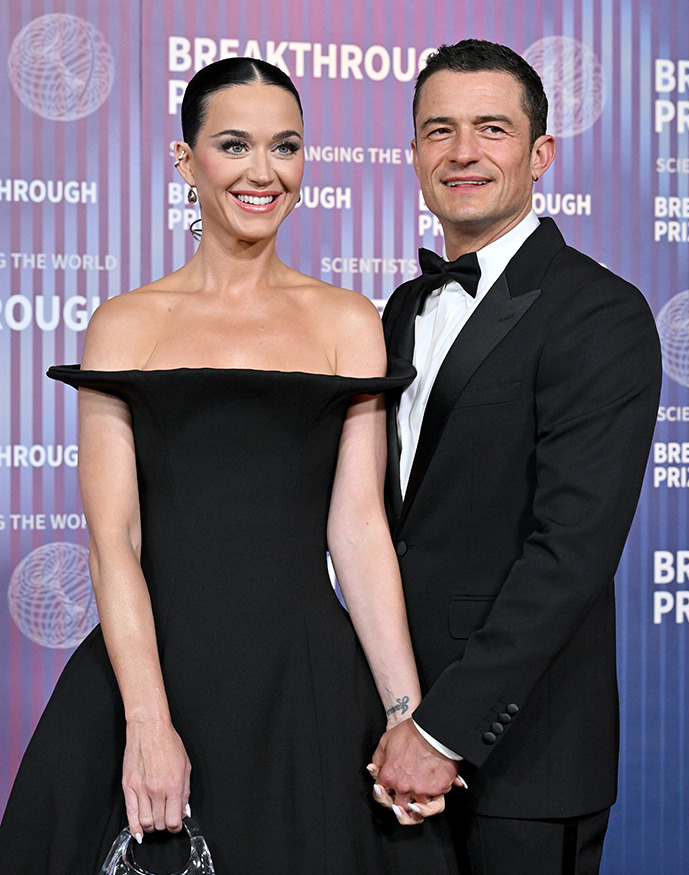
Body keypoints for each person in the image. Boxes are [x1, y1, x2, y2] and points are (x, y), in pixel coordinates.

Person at [0, 58, 458, 874]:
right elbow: (115, 540)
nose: (263, 171)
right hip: (154, 669)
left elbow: (358, 531)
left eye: (285, 146)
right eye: (234, 144)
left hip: (305, 683)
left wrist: (406, 716)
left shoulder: (347, 322)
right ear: (187, 162)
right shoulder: (125, 324)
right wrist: (147, 720)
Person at [370, 39, 662, 875]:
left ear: (541, 155)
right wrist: (396, 719)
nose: (463, 152)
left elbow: (569, 553)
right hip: (385, 744)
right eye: (439, 130)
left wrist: (442, 730)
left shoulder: (598, 312)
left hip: (521, 758)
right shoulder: (398, 310)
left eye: (491, 128)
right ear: (416, 153)